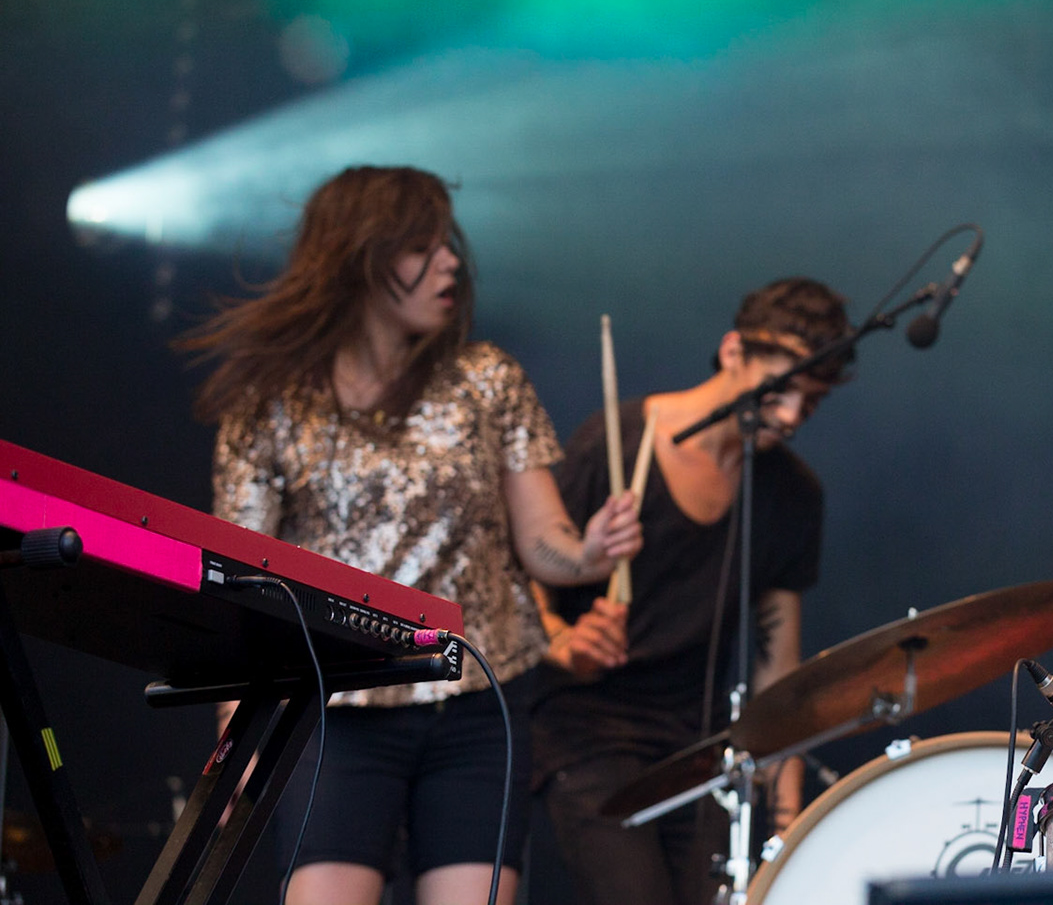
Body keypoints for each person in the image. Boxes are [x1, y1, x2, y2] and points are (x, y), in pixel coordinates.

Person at [184, 165, 640, 905]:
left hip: (476, 701)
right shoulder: (270, 405)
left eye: (448, 244)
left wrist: (589, 551)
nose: (451, 261)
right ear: (360, 257)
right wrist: (237, 739)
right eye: (422, 246)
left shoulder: (487, 379)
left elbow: (544, 544)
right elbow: (241, 587)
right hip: (333, 709)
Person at [530, 277, 854, 905]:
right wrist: (563, 640)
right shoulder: (618, 441)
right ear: (733, 350)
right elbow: (525, 578)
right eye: (780, 389)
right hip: (590, 729)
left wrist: (784, 827)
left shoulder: (792, 495)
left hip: (700, 746)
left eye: (809, 403)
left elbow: (775, 671)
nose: (790, 417)